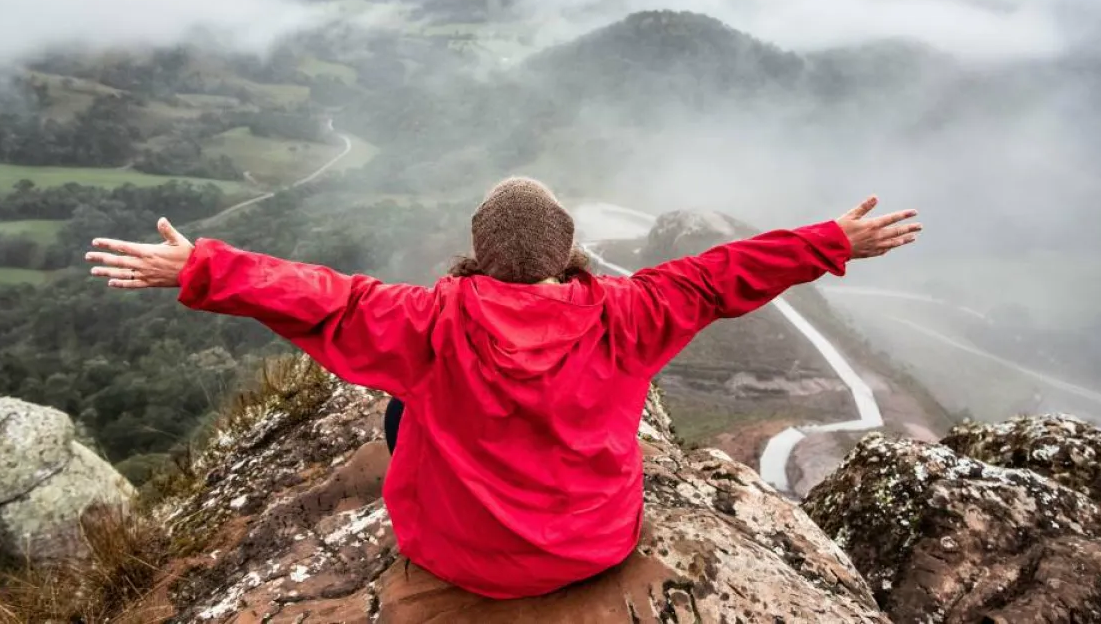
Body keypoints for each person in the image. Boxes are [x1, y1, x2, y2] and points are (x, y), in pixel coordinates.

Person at [85, 177, 920, 599]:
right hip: (595, 547)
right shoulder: (631, 313)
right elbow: (718, 275)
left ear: (480, 252)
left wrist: (201, 266)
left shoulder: (424, 322)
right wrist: (830, 240)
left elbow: (319, 294)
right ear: (565, 253)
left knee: (402, 401)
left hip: (454, 556)